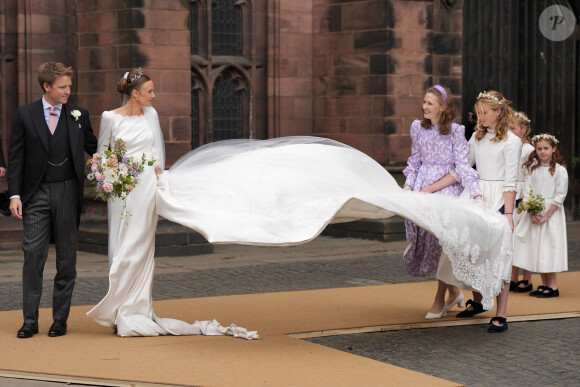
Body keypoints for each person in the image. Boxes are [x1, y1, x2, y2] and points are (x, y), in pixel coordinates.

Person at [86, 68, 258, 339]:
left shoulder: (150, 115)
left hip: (146, 188)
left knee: (143, 244)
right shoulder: (110, 118)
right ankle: (120, 308)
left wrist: (156, 174)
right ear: (135, 93)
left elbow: (156, 151)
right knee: (122, 243)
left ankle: (138, 309)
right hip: (121, 191)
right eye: (150, 91)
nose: (154, 96)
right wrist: (109, 175)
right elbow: (103, 153)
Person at [7, 62, 98, 338]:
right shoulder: (25, 114)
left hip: (68, 192)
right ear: (46, 86)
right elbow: (16, 157)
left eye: (69, 86)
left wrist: (117, 166)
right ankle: (29, 320)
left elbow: (95, 149)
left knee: (67, 260)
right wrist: (14, 195)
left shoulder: (79, 114)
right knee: (33, 255)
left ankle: (60, 320)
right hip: (35, 193)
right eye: (62, 87)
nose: (68, 91)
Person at [438, 90, 521, 333]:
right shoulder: (477, 136)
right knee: (470, 250)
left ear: (498, 112)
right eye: (479, 113)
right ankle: (477, 300)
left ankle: (501, 313)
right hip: (475, 195)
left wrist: (507, 214)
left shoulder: (512, 142)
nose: (480, 116)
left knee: (499, 254)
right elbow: (461, 170)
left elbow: (510, 181)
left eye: (485, 113)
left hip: (499, 199)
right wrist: (429, 188)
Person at [402, 84, 481, 319]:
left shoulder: (456, 131)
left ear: (443, 107)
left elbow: (461, 167)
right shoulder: (417, 127)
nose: (424, 106)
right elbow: (414, 161)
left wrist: (476, 193)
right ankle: (455, 292)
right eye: (424, 102)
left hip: (445, 189)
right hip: (421, 188)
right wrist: (408, 185)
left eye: (429, 103)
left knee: (445, 242)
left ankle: (440, 299)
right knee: (428, 240)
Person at [513, 134, 568, 298]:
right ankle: (544, 284)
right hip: (536, 212)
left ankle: (553, 286)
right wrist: (532, 212)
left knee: (549, 247)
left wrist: (546, 215)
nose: (542, 152)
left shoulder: (560, 170)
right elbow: (529, 192)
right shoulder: (533, 169)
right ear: (535, 150)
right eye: (539, 149)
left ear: (554, 149)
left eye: (546, 148)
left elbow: (560, 195)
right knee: (539, 249)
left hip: (551, 214)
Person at [508, 111, 535, 292]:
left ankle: (527, 278)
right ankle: (511, 277)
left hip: (524, 194)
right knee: (512, 238)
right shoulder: (511, 145)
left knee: (524, 238)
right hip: (512, 191)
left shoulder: (528, 150)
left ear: (524, 129)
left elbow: (531, 176)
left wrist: (527, 198)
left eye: (512, 128)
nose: (509, 132)